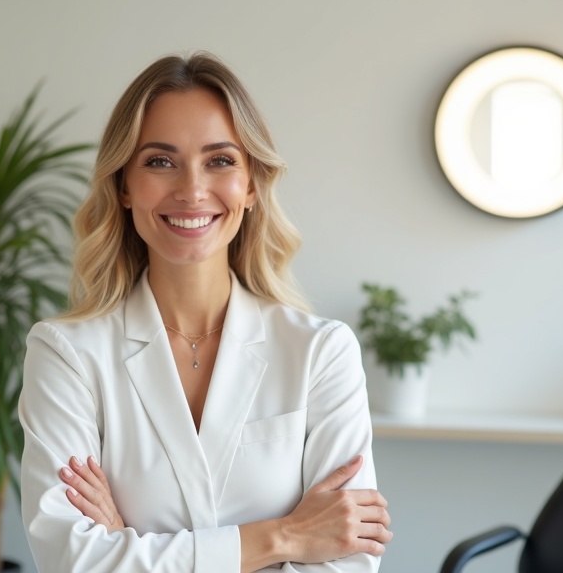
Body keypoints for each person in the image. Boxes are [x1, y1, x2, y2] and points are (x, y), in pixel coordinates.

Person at [19, 51, 392, 573]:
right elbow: (69, 560)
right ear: (124, 185)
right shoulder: (67, 354)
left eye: (219, 160)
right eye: (159, 161)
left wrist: (126, 544)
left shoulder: (320, 351)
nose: (192, 190)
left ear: (252, 184)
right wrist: (284, 537)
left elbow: (347, 561)